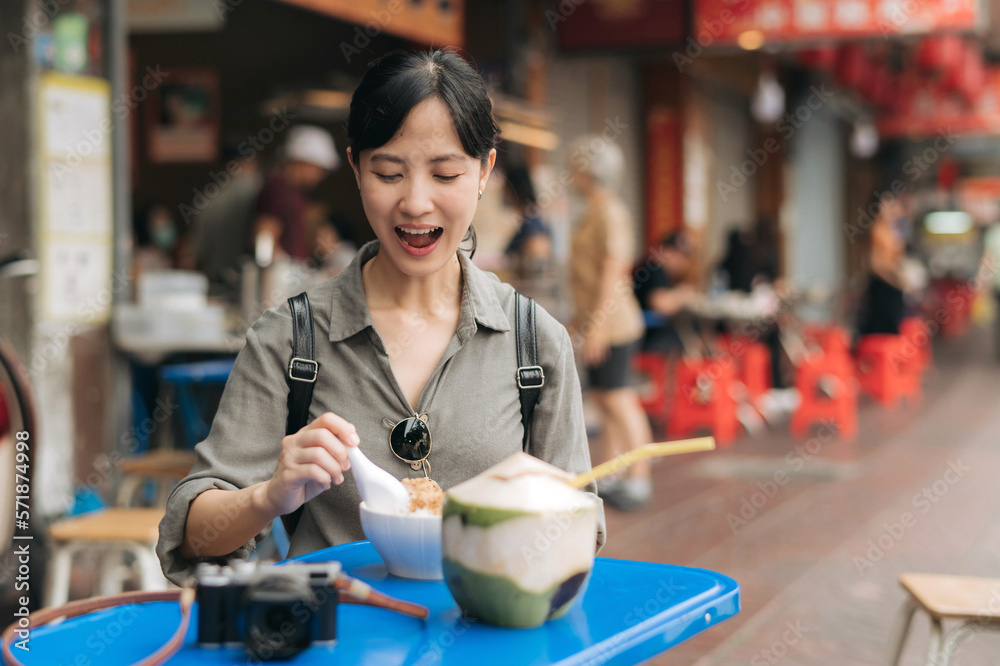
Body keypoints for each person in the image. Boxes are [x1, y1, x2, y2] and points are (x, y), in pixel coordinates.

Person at [157, 50, 605, 583]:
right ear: (355, 168)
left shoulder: (534, 342)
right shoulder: (290, 340)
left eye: (445, 173)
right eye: (389, 173)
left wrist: (536, 510)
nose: (416, 203)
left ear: (484, 170)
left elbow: (582, 532)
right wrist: (268, 495)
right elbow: (193, 537)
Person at [567, 135, 653, 512]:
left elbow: (613, 270)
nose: (570, 175)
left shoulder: (609, 212)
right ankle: (613, 472)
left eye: (575, 167)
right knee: (605, 397)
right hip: (600, 321)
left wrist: (597, 325)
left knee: (618, 397)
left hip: (614, 323)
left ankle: (640, 477)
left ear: (588, 172)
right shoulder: (594, 209)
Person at [252, 124, 340, 262]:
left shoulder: (297, 193)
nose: (321, 175)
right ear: (302, 161)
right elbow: (264, 238)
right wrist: (287, 272)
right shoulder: (277, 187)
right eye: (319, 168)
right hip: (277, 280)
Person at [635, 230, 698, 356]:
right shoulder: (653, 267)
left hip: (645, 331)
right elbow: (659, 303)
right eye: (679, 256)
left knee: (694, 326)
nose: (681, 263)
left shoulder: (657, 268)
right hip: (646, 335)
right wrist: (682, 296)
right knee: (687, 335)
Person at [857, 197, 906, 337]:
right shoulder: (878, 230)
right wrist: (893, 280)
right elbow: (875, 264)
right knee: (881, 325)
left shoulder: (891, 229)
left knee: (891, 322)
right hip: (883, 283)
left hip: (891, 281)